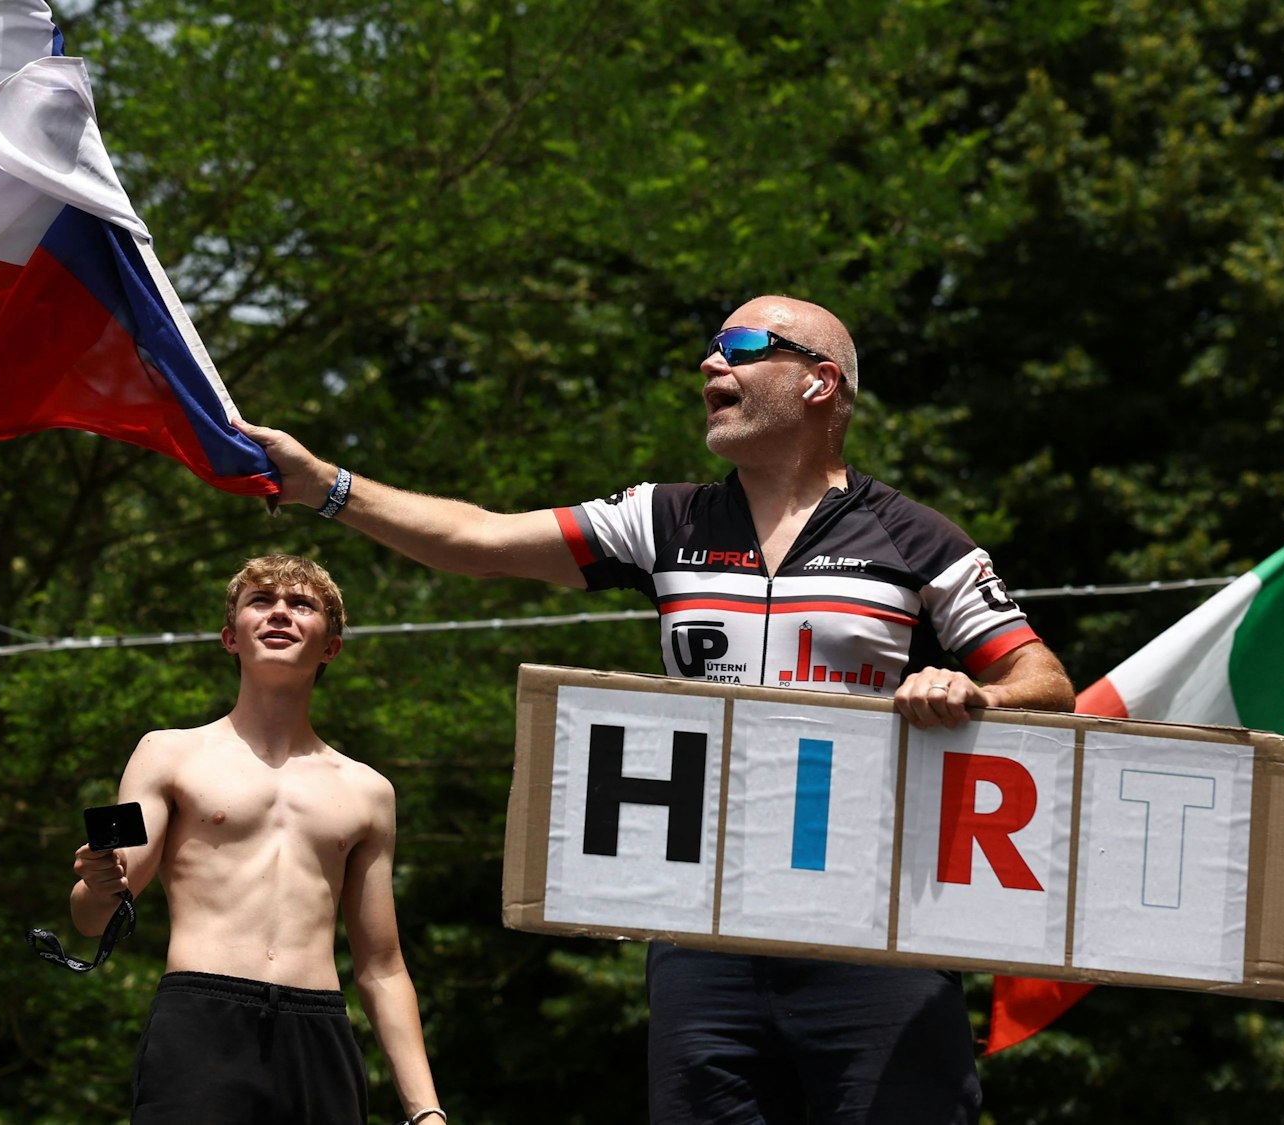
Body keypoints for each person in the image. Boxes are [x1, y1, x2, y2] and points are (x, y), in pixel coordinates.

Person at [236, 296, 1075, 1124]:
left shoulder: (919, 537)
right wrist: (325, 487)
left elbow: (1046, 680)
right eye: (711, 347)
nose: (712, 363)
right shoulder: (664, 519)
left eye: (743, 345)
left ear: (821, 383)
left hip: (874, 930)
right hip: (700, 931)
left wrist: (975, 690)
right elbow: (479, 542)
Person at [70, 554, 446, 1125]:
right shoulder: (168, 753)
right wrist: (99, 882)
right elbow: (97, 913)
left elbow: (382, 966)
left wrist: (426, 1112)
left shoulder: (369, 792)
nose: (279, 614)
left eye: (301, 604)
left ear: (331, 646)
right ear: (230, 637)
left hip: (318, 1029)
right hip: (202, 1019)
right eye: (261, 601)